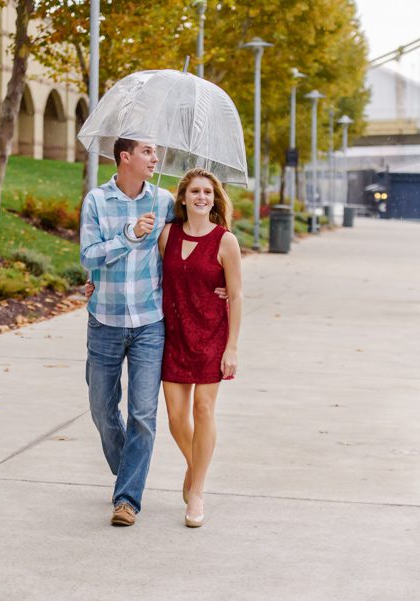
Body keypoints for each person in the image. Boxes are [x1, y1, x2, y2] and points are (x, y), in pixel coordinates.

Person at [79, 137, 171, 527]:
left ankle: (128, 499)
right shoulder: (97, 201)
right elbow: (88, 256)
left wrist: (219, 279)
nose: (155, 158)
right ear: (125, 157)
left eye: (156, 152)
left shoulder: (164, 201)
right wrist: (129, 236)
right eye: (148, 151)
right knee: (102, 410)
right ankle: (128, 474)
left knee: (144, 415)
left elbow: (194, 241)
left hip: (150, 321)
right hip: (105, 319)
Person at [158, 168, 242, 528]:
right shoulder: (166, 236)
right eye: (195, 191)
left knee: (204, 410)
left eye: (208, 192)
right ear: (182, 197)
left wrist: (232, 348)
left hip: (211, 335)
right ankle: (195, 467)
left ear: (215, 198)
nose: (202, 197)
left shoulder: (226, 241)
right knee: (177, 418)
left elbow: (236, 295)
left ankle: (197, 491)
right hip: (173, 335)